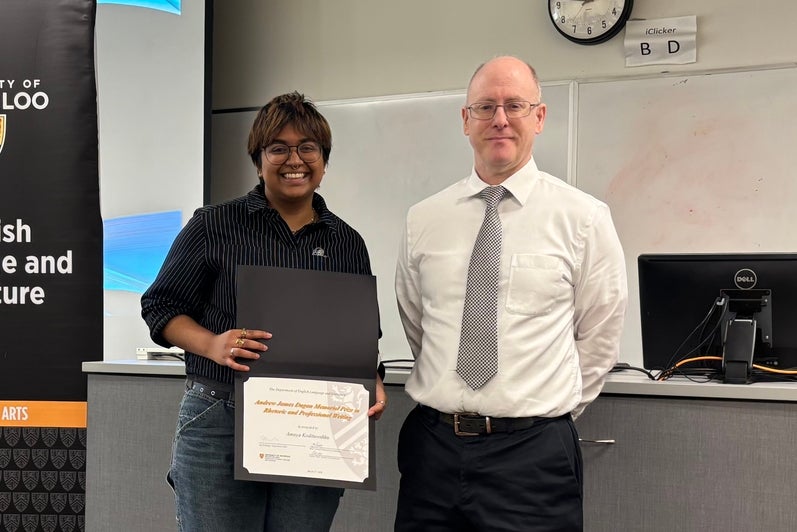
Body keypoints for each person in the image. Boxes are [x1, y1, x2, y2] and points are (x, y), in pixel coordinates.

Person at [394, 56, 628, 531]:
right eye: (485, 106)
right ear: (465, 120)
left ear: (539, 117)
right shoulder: (425, 218)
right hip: (432, 451)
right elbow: (418, 323)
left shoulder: (583, 218)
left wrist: (541, 410)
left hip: (531, 459)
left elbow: (600, 335)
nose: (499, 119)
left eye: (515, 105)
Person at [141, 91, 386, 532]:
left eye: (307, 147)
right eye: (278, 148)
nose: (295, 159)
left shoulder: (348, 243)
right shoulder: (213, 224)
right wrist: (211, 343)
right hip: (220, 414)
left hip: (315, 423)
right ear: (259, 161)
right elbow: (161, 306)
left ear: (324, 161)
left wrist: (374, 380)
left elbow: (362, 337)